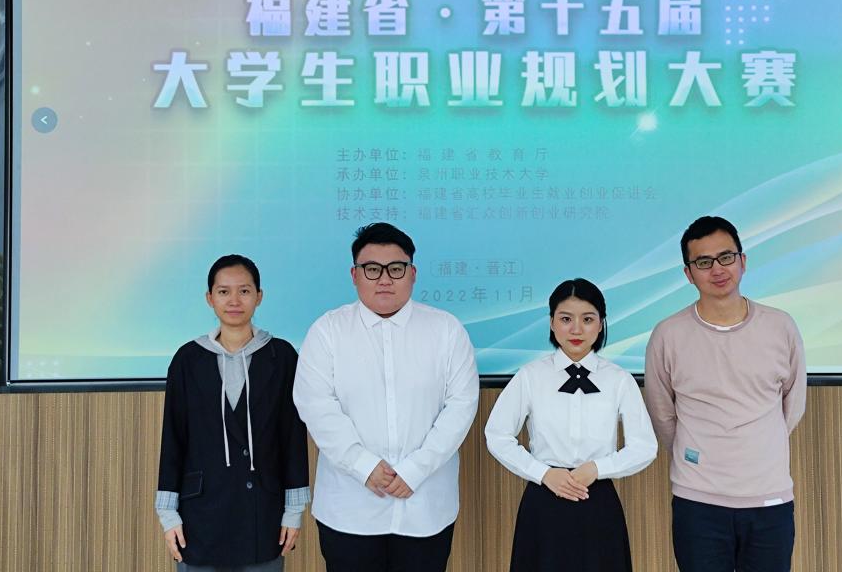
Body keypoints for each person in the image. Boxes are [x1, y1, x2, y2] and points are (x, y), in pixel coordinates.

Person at [293, 223, 479, 572]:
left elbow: (461, 405)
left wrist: (415, 470)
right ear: (354, 275)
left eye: (395, 269)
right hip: (350, 508)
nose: (384, 279)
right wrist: (363, 466)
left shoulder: (446, 330)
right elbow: (316, 406)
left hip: (425, 506)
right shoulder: (327, 331)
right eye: (372, 269)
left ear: (412, 273)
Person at [644, 216, 807, 572]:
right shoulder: (668, 334)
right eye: (703, 262)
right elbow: (662, 413)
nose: (717, 269)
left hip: (769, 498)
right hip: (697, 501)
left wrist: (759, 444)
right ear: (688, 274)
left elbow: (792, 405)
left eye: (726, 257)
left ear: (743, 261)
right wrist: (697, 452)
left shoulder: (780, 326)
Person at [485, 278, 658, 572]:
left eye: (587, 319)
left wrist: (597, 469)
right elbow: (497, 435)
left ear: (601, 324)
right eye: (566, 319)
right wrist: (543, 473)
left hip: (597, 497)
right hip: (544, 498)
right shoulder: (531, 376)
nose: (576, 329)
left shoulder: (618, 379)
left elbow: (644, 447)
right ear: (552, 323)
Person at [156, 254, 310, 571]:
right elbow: (173, 438)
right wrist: (168, 514)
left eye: (244, 290)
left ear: (259, 296)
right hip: (200, 514)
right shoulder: (188, 359)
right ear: (210, 298)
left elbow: (293, 437)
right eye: (224, 291)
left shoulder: (281, 356)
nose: (234, 300)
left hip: (263, 512)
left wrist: (293, 511)